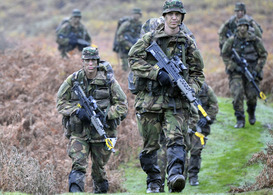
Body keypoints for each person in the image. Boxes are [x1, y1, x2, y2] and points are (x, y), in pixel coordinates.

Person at [128, 0, 205, 193]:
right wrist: (156, 73)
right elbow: (133, 60)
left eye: (178, 14)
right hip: (150, 102)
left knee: (176, 139)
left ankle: (175, 175)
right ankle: (154, 181)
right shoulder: (149, 39)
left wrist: (189, 89)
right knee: (150, 147)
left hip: (175, 102)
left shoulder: (187, 43)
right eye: (170, 14)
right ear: (164, 16)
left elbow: (198, 73)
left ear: (182, 17)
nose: (174, 17)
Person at [56, 47, 128, 193]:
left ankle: (100, 190)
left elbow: (122, 105)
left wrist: (107, 114)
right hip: (79, 132)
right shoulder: (74, 79)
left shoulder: (108, 80)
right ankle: (76, 192)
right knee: (78, 164)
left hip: (103, 133)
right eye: (87, 60)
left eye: (93, 60)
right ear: (82, 61)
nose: (90, 63)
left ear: (97, 61)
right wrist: (77, 111)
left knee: (98, 170)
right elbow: (60, 102)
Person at [221, 18, 268, 128]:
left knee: (252, 96)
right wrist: (233, 66)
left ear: (247, 27)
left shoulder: (255, 40)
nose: (242, 28)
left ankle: (251, 112)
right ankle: (240, 119)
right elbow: (224, 54)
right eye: (240, 26)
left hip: (251, 72)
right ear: (237, 27)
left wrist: (257, 70)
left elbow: (263, 55)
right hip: (236, 73)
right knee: (237, 94)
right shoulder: (232, 40)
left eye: (244, 26)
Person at [186, 82, 219, 186]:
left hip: (199, 125)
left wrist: (206, 118)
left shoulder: (205, 89)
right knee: (180, 149)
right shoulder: (181, 86)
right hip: (185, 123)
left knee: (196, 150)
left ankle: (193, 176)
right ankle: (179, 175)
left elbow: (214, 105)